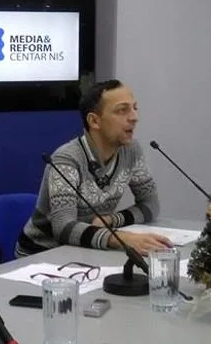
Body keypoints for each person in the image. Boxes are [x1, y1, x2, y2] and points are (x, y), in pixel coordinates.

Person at [17, 79, 171, 257]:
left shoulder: (131, 151)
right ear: (94, 121)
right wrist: (122, 238)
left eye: (134, 108)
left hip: (86, 249)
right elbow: (64, 228)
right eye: (122, 110)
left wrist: (112, 220)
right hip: (42, 253)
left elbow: (151, 205)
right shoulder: (66, 159)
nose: (134, 117)